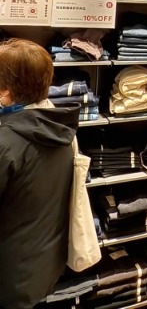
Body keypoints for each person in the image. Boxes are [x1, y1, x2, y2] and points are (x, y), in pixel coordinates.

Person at [0, 39, 80, 308]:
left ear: (6, 92)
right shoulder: (62, 130)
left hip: (7, 275)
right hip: (44, 264)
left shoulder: (7, 143)